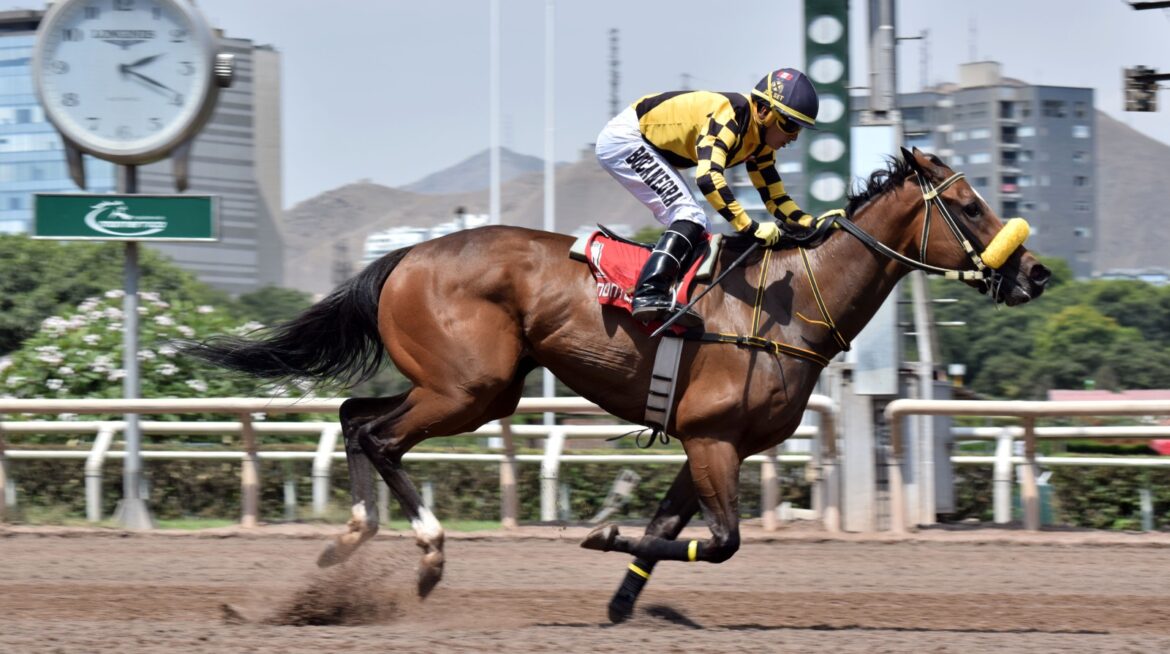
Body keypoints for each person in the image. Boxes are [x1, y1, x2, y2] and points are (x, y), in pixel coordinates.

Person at [595, 68, 820, 329]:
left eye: (799, 130)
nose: (793, 137)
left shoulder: (761, 144)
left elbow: (775, 197)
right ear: (763, 111)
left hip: (648, 145)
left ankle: (669, 293)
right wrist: (750, 227)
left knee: (701, 228)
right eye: (790, 125)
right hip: (626, 140)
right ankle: (648, 293)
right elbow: (708, 177)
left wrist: (812, 224)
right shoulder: (732, 114)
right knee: (689, 215)